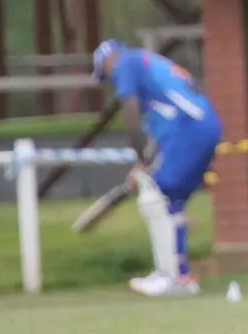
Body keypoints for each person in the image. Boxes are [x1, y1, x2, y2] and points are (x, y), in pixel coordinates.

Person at [92, 39, 223, 297]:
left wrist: (141, 162)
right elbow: (160, 133)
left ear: (108, 62)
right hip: (202, 125)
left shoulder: (126, 64)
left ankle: (170, 275)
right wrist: (146, 163)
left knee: (156, 195)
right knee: (170, 199)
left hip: (190, 127)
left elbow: (130, 116)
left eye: (106, 76)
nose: (112, 82)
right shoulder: (148, 66)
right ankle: (180, 276)